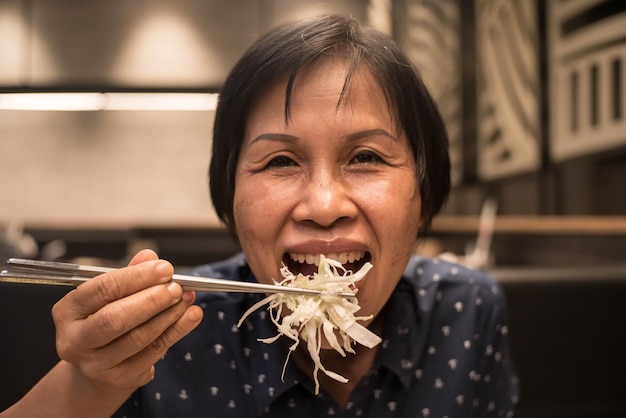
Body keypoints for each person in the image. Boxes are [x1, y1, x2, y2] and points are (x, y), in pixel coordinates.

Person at [1, 14, 518, 418]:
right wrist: (90, 382)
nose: (323, 205)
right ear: (229, 194)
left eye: (366, 157)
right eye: (280, 161)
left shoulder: (467, 311)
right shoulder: (170, 338)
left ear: (423, 190)